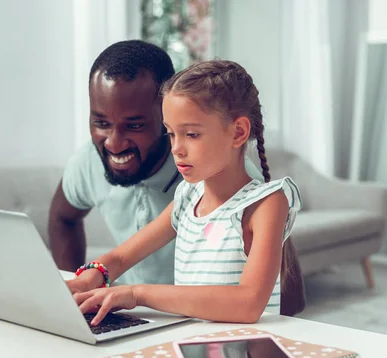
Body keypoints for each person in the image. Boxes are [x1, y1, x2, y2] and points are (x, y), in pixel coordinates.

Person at [69, 60, 302, 325]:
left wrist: (137, 293)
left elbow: (247, 304)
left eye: (191, 134)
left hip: (246, 352)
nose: (177, 149)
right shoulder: (188, 197)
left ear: (238, 132)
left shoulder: (266, 204)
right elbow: (121, 257)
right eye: (170, 134)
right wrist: (91, 276)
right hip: (190, 346)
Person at [48, 40, 261, 285]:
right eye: (102, 123)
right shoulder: (184, 198)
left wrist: (138, 295)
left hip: (209, 319)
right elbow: (75, 227)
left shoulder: (228, 179)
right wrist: (78, 289)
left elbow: (269, 295)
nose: (114, 145)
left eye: (135, 125)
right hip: (138, 313)